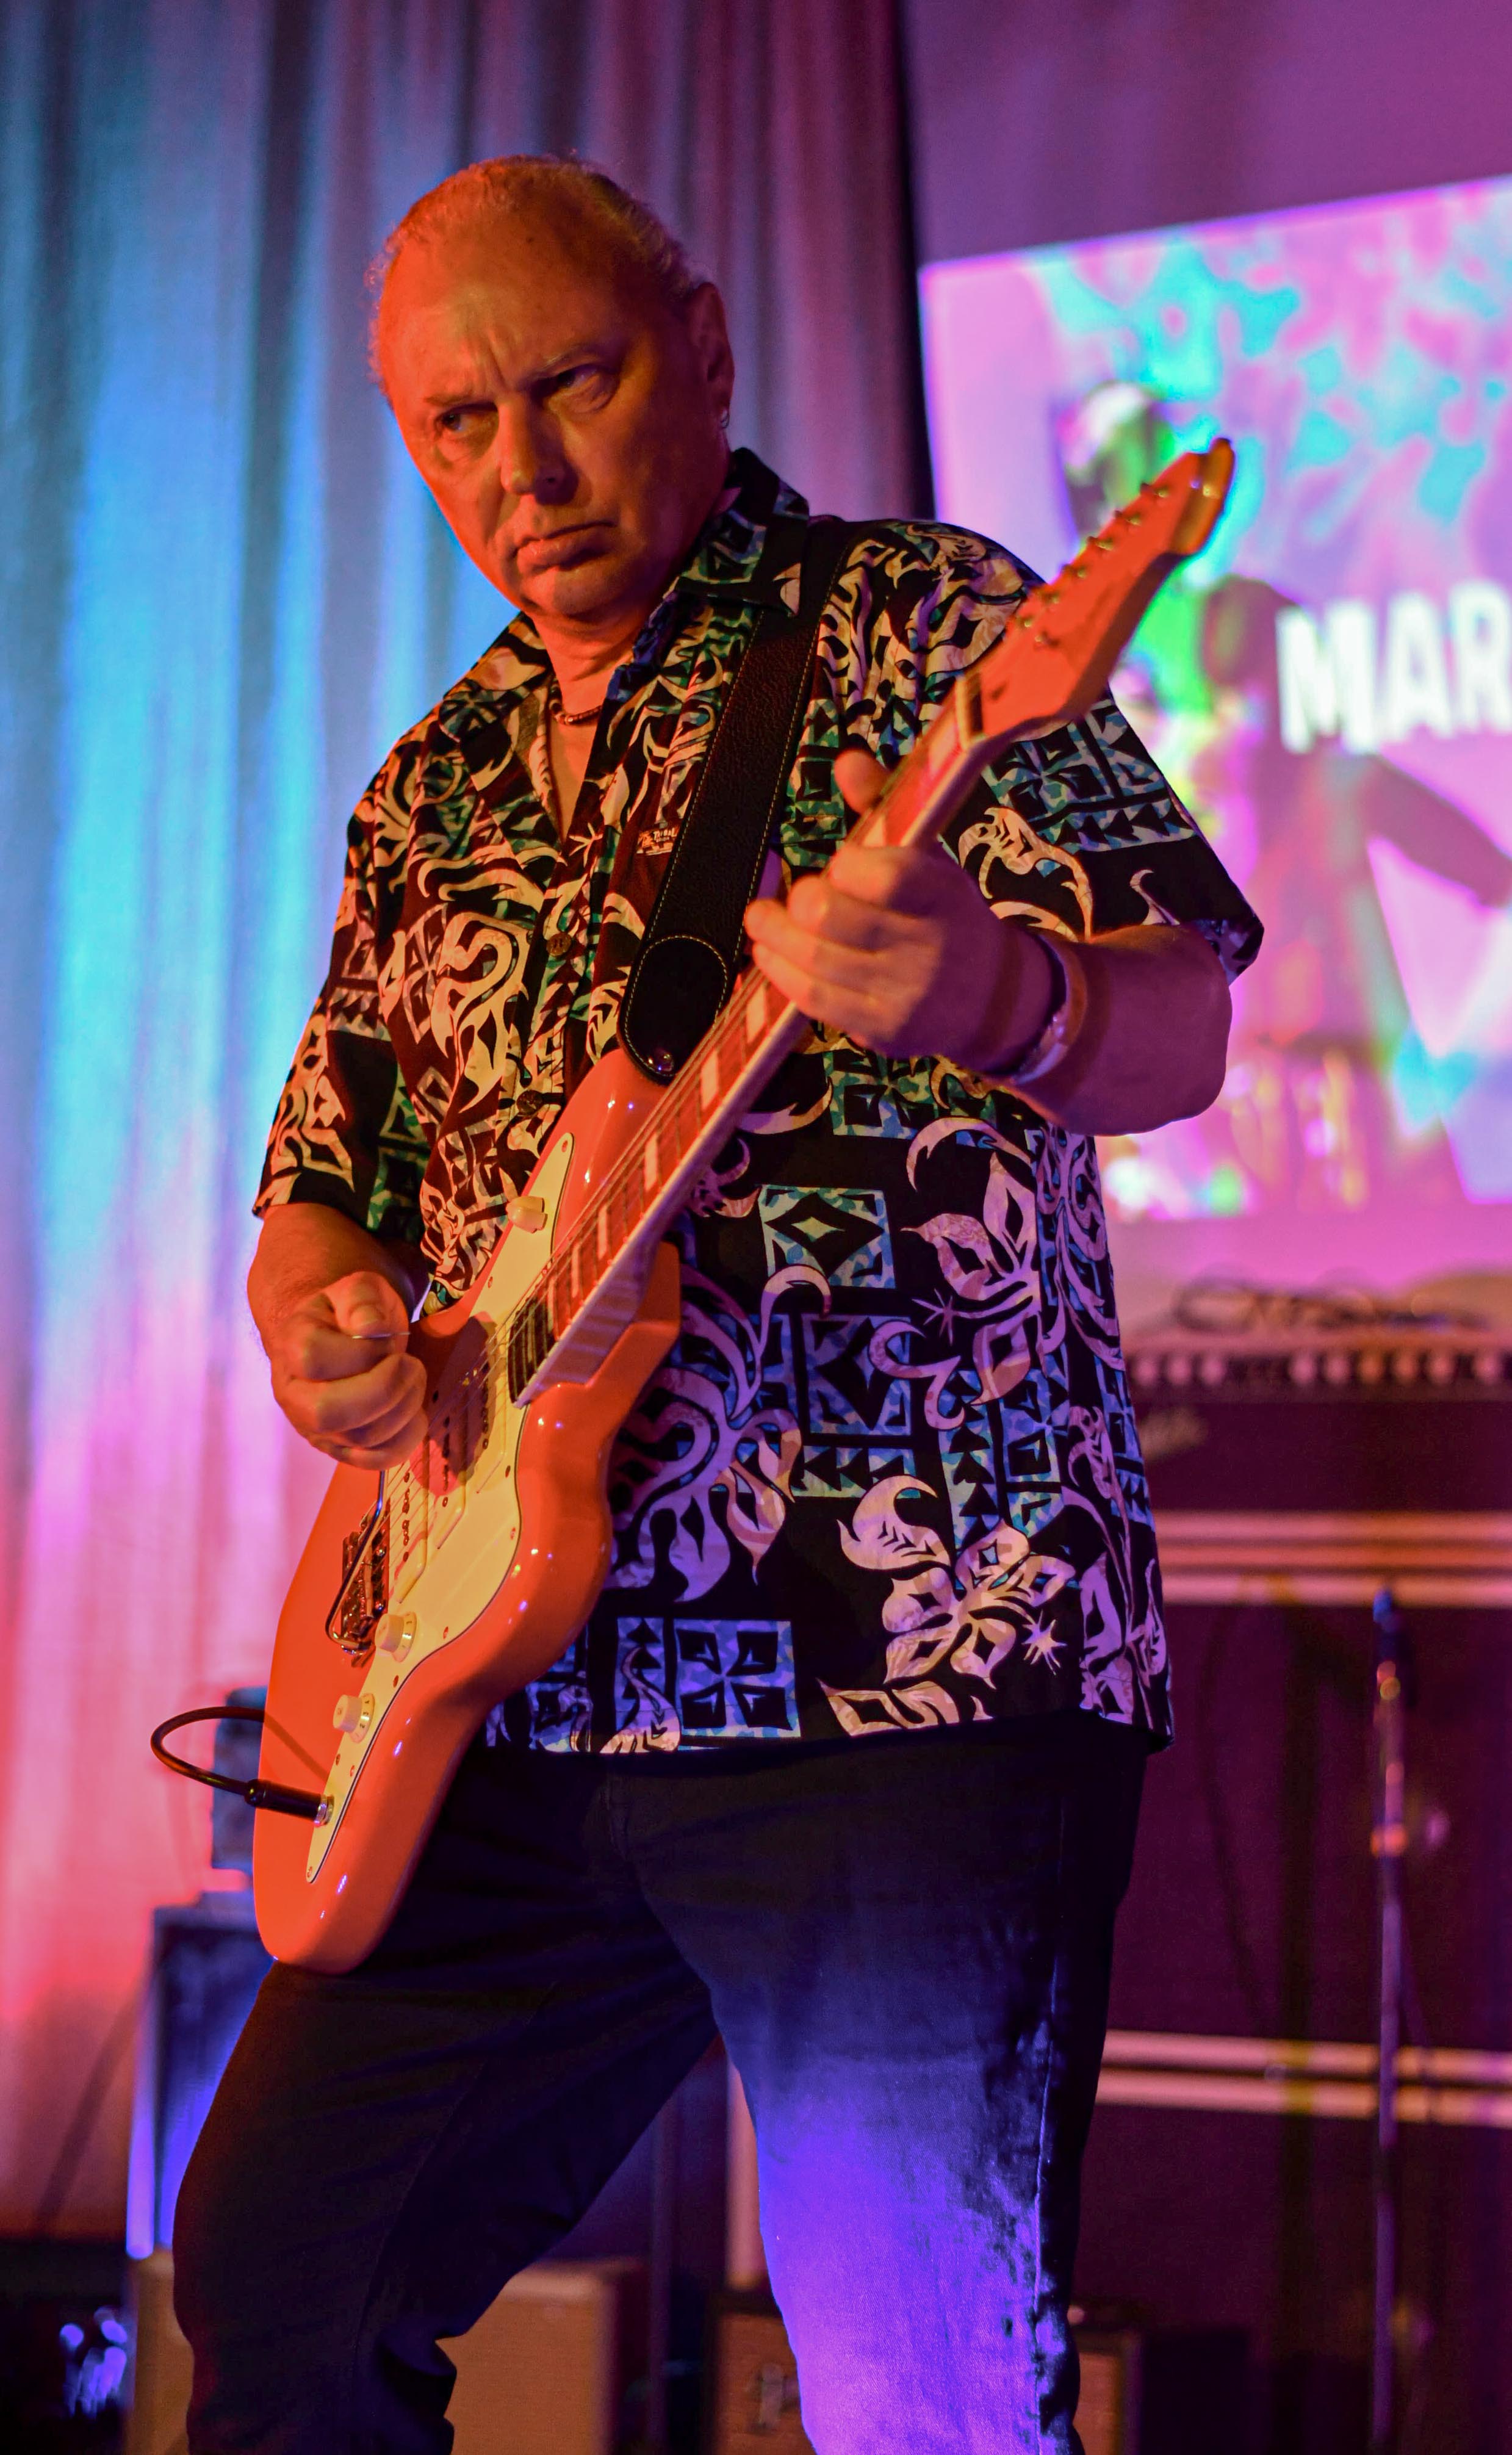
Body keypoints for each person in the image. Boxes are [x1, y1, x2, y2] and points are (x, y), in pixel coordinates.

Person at [175, 157, 1261, 2455]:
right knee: (276, 2285)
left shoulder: (927, 625)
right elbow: (320, 1187)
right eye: (458, 424)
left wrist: (995, 993)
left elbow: (1183, 1022)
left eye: (573, 384)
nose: (527, 471)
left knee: (919, 2400)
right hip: (510, 1700)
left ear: (703, 347)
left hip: (907, 1663)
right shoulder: (435, 780)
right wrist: (324, 1323)